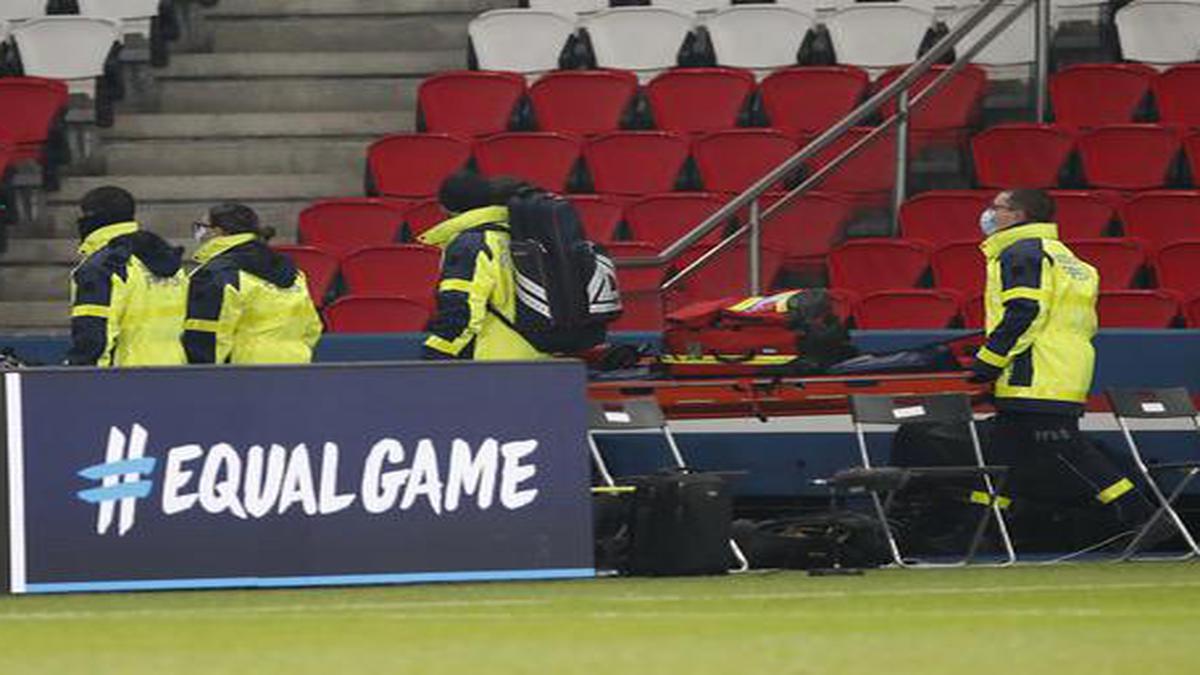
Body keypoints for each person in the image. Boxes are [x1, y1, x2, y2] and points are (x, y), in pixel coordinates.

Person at [969, 188, 1153, 547]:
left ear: (1019, 215)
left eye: (998, 207)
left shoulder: (1021, 253)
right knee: (1002, 453)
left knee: (1068, 451)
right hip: (1062, 370)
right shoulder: (1068, 259)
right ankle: (981, 528)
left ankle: (1141, 514)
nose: (989, 213)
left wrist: (988, 361)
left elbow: (1025, 311)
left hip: (1036, 374)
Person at [419, 171, 544, 360]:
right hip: (542, 355)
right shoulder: (524, 234)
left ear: (444, 208)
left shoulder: (470, 244)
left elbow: (463, 308)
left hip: (494, 359)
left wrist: (437, 353)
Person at [183, 203, 322, 364]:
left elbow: (207, 337)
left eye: (202, 226)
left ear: (218, 231)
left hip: (245, 371)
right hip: (296, 364)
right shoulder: (292, 271)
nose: (199, 232)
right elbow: (312, 327)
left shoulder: (216, 274)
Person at [67, 186, 187, 367]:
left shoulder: (102, 267)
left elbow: (94, 335)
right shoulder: (169, 262)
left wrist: (83, 379)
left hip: (124, 378)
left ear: (91, 217)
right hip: (176, 371)